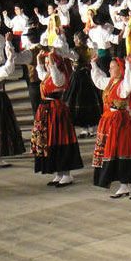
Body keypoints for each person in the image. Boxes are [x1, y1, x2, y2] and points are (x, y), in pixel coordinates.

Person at [90, 54, 131, 199]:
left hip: (121, 122)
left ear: (119, 69)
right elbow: (98, 80)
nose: (109, 71)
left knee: (125, 150)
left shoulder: (123, 84)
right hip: (108, 122)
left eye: (112, 68)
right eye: (109, 68)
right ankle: (123, 185)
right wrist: (94, 64)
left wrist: (128, 66)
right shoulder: (110, 82)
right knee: (113, 152)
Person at [31, 50, 84, 187]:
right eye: (47, 63)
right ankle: (59, 173)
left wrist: (51, 59)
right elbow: (41, 72)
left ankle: (66, 174)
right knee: (50, 140)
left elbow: (55, 76)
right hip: (46, 110)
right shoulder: (47, 76)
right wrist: (39, 60)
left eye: (50, 63)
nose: (48, 65)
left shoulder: (59, 76)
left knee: (59, 139)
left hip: (56, 111)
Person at [63, 32, 103, 138]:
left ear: (78, 41)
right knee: (90, 99)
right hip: (87, 76)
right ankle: (92, 127)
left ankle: (85, 128)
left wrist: (61, 38)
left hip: (77, 77)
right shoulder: (89, 50)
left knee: (79, 100)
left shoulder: (75, 52)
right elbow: (95, 47)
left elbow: (65, 52)